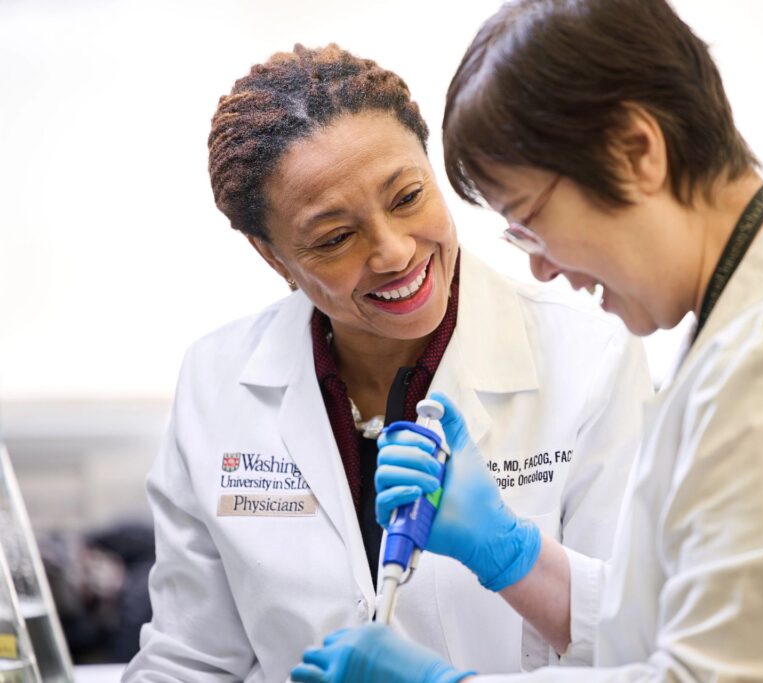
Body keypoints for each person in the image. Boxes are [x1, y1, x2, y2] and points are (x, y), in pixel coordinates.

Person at [291, 1, 763, 681]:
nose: (541, 264)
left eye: (530, 219)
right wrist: (514, 555)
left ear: (637, 150)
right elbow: (715, 617)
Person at [122, 43, 652, 682]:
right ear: (273, 259)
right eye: (335, 238)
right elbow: (190, 662)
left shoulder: (589, 361)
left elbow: (640, 652)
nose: (395, 252)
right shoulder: (217, 382)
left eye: (407, 197)